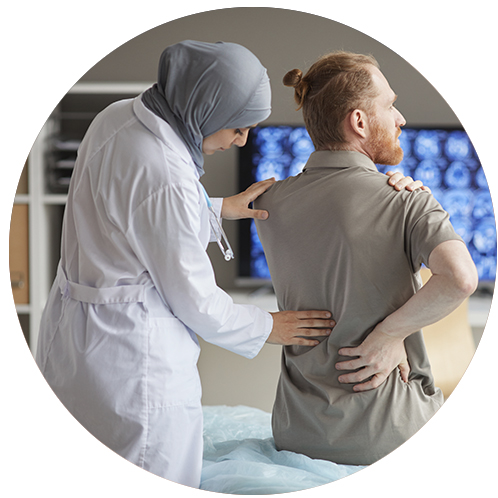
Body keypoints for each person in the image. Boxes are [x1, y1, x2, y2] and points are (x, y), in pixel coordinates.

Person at [35, 41, 425, 487]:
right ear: (206, 111)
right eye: (238, 128)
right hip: (131, 365)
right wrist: (269, 326)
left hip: (73, 342)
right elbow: (197, 300)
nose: (241, 140)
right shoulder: (166, 176)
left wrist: (216, 208)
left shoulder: (118, 117)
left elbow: (129, 213)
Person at [254, 51, 478, 466]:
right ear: (359, 121)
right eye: (390, 106)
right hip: (389, 435)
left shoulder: (266, 202)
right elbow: (461, 278)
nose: (401, 119)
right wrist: (390, 334)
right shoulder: (406, 201)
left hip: (296, 434)